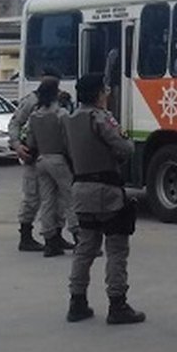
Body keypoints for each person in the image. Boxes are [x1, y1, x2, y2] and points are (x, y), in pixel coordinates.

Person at [62, 73, 144, 325]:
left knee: (85, 248)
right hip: (107, 191)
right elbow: (125, 147)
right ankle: (117, 304)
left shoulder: (69, 119)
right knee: (117, 248)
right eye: (105, 90)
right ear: (99, 93)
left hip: (80, 189)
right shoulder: (101, 118)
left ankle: (77, 301)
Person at [8, 69, 63, 252]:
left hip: (52, 154)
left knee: (56, 199)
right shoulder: (31, 101)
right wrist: (17, 145)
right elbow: (15, 123)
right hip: (34, 155)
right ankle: (25, 236)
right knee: (32, 198)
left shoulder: (59, 101)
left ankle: (56, 235)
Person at [26, 77, 77, 257]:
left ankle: (50, 241)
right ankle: (78, 236)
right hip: (59, 159)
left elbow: (30, 141)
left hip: (41, 160)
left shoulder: (34, 115)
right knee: (70, 198)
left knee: (47, 201)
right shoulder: (61, 114)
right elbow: (69, 141)